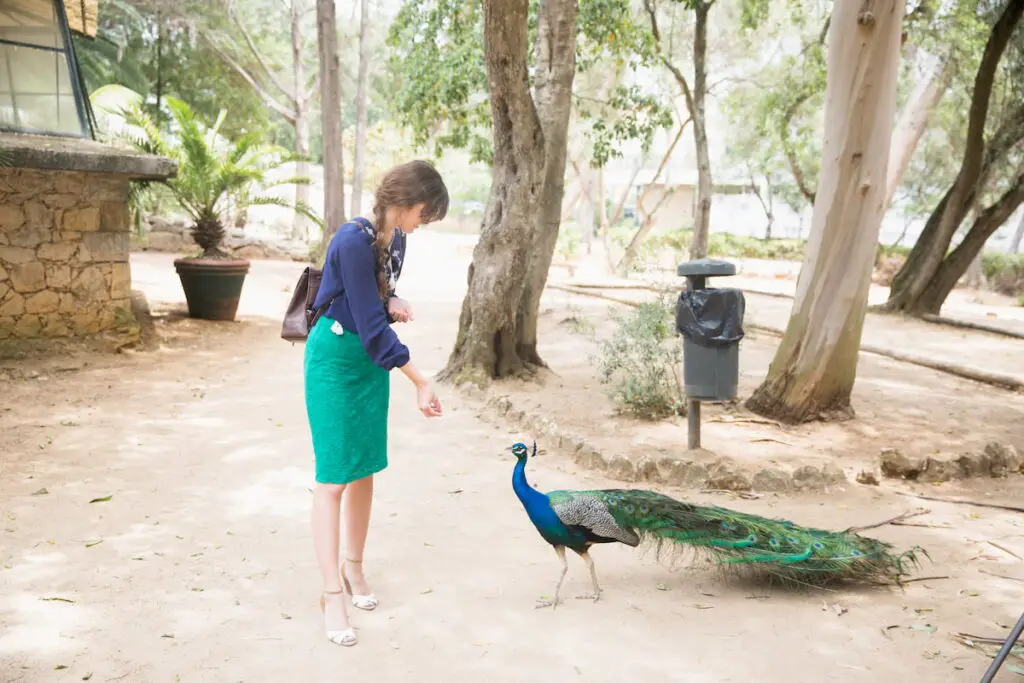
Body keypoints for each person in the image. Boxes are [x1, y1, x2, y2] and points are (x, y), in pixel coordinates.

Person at [304, 160, 448, 647]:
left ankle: (355, 570)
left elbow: (370, 300)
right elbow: (368, 327)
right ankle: (331, 594)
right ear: (407, 202)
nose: (422, 223)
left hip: (368, 364)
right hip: (336, 362)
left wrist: (393, 302)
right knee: (332, 481)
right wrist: (420, 381)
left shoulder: (397, 240)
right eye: (425, 213)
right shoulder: (350, 239)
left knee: (363, 467)